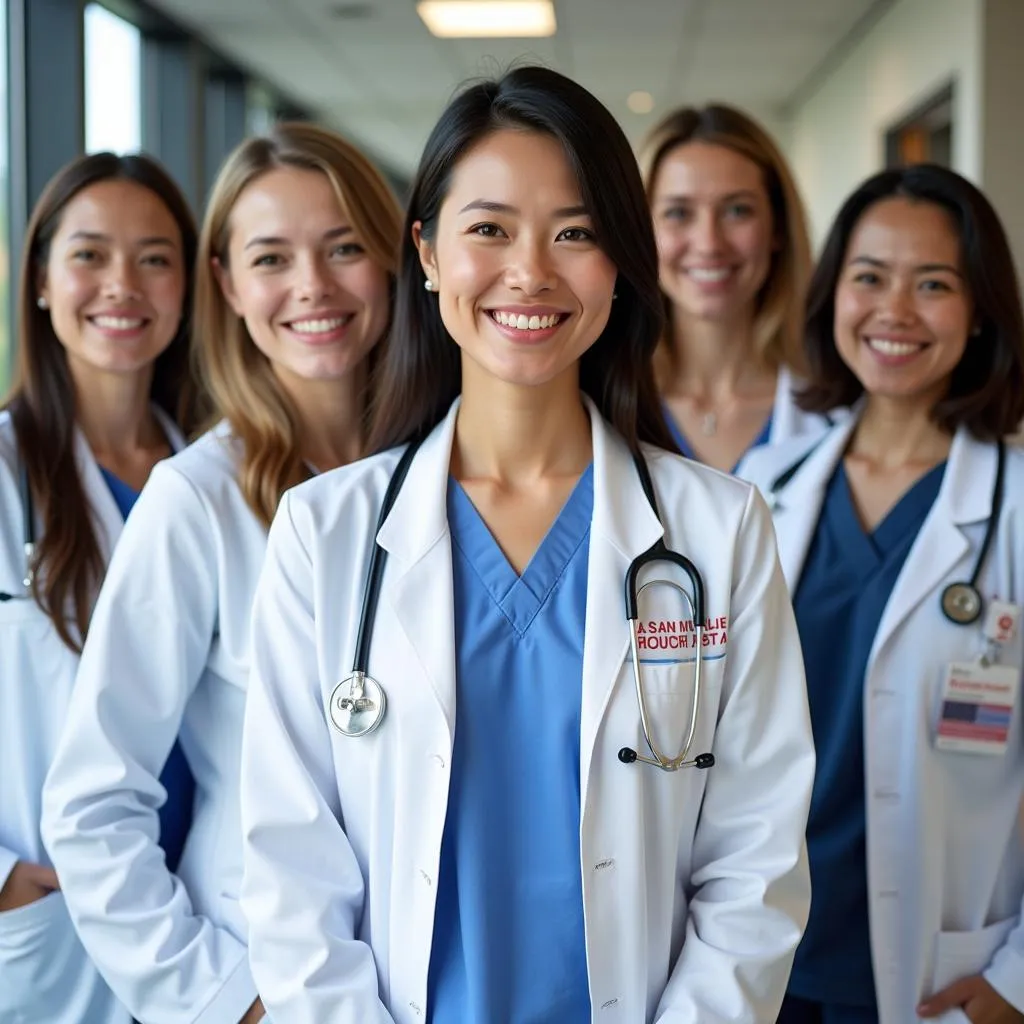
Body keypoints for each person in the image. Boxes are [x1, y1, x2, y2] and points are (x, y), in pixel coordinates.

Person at [240, 66, 815, 1024]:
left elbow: (756, 860)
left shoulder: (718, 530)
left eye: (577, 232)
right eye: (490, 229)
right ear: (425, 253)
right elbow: (290, 867)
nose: (532, 271)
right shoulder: (324, 532)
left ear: (622, 262)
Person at [41, 123, 401, 1024]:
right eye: (272, 256)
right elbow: (94, 804)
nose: (313, 286)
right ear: (227, 285)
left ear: (398, 260)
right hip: (264, 971)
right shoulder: (195, 498)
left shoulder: (449, 472)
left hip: (451, 967)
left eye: (345, 246)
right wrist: (227, 1001)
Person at [739, 165, 1024, 1024]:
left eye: (932, 284)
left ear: (978, 312)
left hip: (938, 973)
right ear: (832, 297)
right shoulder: (765, 484)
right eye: (869, 278)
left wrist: (1018, 978)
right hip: (762, 955)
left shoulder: (1015, 506)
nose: (894, 311)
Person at [0, 152, 197, 1023]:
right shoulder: (5, 473)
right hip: (56, 923)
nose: (123, 284)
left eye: (155, 257)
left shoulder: (215, 472)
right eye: (89, 254)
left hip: (205, 915)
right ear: (40, 279)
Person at [640, 103, 832, 472]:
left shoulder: (833, 411)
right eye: (678, 213)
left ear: (777, 228)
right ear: (643, 231)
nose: (709, 243)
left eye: (737, 211)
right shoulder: (600, 407)